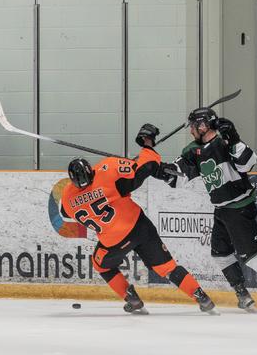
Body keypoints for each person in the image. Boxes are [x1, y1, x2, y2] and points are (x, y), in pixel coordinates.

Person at [154, 107, 257, 311]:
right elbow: (179, 176)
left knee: (251, 256)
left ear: (203, 126)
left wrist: (234, 138)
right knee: (220, 253)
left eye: (193, 126)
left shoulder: (224, 142)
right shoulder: (193, 150)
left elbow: (248, 163)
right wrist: (158, 169)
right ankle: (242, 294)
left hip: (239, 208)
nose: (190, 131)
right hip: (222, 210)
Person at [60, 124, 217, 315]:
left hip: (113, 242)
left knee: (100, 264)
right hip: (140, 227)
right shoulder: (107, 172)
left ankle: (132, 299)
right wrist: (147, 145)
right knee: (167, 268)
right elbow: (147, 167)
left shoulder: (68, 199)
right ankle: (201, 296)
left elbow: (65, 211)